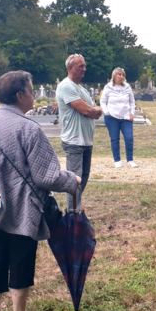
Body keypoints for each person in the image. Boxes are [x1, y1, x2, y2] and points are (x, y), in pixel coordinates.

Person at [0, 71, 79, 311]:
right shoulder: (29, 128)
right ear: (20, 95)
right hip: (25, 208)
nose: (34, 95)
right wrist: (73, 181)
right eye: (32, 90)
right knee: (21, 259)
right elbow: (45, 176)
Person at [56, 55, 102, 211]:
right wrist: (91, 110)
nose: (84, 69)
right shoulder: (66, 86)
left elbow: (95, 111)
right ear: (70, 68)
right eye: (80, 66)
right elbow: (87, 109)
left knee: (83, 179)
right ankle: (72, 215)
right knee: (74, 181)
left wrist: (92, 110)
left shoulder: (82, 90)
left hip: (86, 141)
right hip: (74, 141)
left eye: (84, 65)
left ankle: (75, 210)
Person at [100, 67, 137, 169]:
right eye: (119, 74)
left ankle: (130, 160)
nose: (121, 77)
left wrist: (132, 113)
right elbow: (102, 101)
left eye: (123, 75)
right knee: (115, 139)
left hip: (126, 117)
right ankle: (117, 160)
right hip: (112, 117)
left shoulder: (127, 87)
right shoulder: (108, 87)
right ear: (114, 76)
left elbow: (132, 101)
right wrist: (106, 112)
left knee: (129, 138)